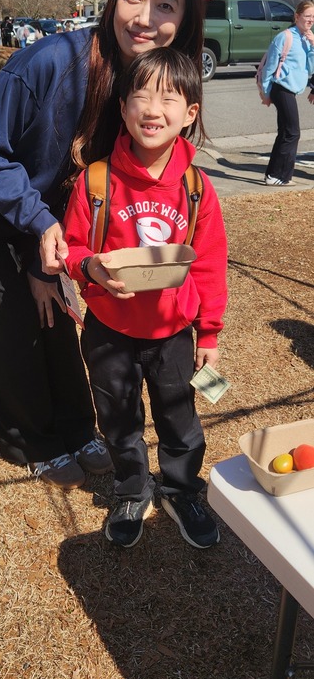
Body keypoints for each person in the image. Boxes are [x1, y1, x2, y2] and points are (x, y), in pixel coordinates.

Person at [0, 0, 205, 490]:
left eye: (166, 5)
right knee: (8, 322)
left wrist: (46, 259)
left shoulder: (146, 85)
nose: (145, 17)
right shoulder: (53, 60)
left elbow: (85, 185)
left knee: (53, 309)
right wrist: (39, 231)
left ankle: (78, 428)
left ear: (185, 18)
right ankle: (31, 439)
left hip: (43, 212)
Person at [63, 48, 227, 549]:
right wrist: (88, 266)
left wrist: (211, 333)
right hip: (109, 331)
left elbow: (208, 264)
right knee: (118, 417)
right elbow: (73, 249)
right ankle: (131, 488)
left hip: (174, 332)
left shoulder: (196, 189)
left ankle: (180, 489)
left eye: (169, 97)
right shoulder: (96, 181)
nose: (153, 109)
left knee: (180, 416)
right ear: (123, 107)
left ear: (190, 113)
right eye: (141, 95)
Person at [261, 0, 314, 185]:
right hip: (281, 88)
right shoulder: (285, 37)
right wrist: (265, 93)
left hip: (291, 90)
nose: (311, 20)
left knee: (285, 132)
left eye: (313, 17)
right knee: (292, 132)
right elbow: (269, 68)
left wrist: (313, 46)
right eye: (307, 16)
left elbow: (311, 67)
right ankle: (279, 176)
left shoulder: (306, 38)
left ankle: (273, 175)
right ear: (297, 16)